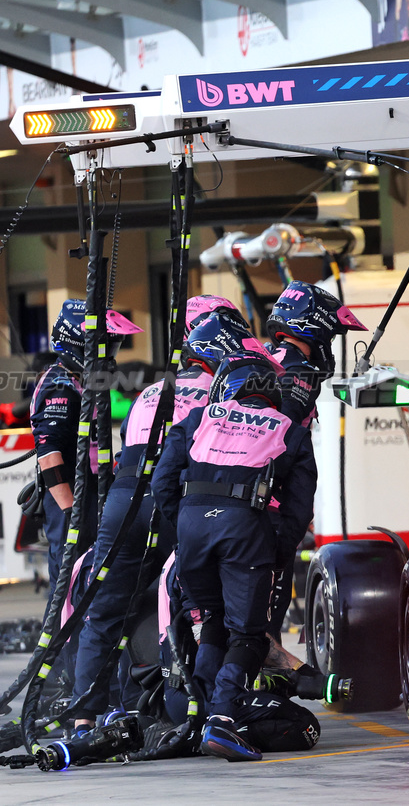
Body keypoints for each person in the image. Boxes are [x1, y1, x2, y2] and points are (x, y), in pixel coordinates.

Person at [69, 304, 259, 731]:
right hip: (174, 496)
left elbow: (122, 447)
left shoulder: (151, 390)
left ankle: (86, 718)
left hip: (123, 499)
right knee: (198, 606)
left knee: (105, 610)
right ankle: (196, 705)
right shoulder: (221, 391)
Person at [152, 352, 316, 761]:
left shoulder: (196, 420)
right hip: (245, 530)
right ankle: (223, 720)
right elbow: (298, 510)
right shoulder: (291, 431)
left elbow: (161, 483)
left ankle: (201, 715)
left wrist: (187, 527)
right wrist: (275, 553)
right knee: (247, 634)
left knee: (212, 622)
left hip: (191, 527)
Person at [264, 281, 365, 636]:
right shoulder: (299, 372)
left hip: (227, 505)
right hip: (266, 512)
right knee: (263, 616)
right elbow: (280, 443)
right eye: (330, 335)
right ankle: (256, 683)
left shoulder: (260, 357)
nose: (329, 345)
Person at [31, 299, 142, 592]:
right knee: (69, 589)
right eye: (103, 347)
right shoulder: (60, 385)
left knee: (97, 583)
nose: (110, 356)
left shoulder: (87, 380)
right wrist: (71, 511)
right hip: (73, 496)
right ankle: (60, 639)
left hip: (96, 490)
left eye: (113, 348)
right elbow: (48, 454)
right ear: (77, 345)